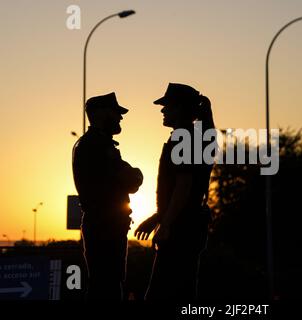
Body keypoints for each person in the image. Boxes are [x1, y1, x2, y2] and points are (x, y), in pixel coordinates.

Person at [135, 83, 215, 300]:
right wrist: (157, 218)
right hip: (189, 225)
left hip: (181, 228)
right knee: (183, 291)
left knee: (161, 294)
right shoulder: (194, 137)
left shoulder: (183, 138)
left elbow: (184, 187)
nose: (163, 110)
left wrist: (166, 224)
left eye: (167, 106)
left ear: (180, 108)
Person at [72, 92, 143, 300]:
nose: (120, 118)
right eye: (116, 112)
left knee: (103, 284)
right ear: (102, 113)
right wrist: (137, 173)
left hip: (103, 225)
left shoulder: (92, 143)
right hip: (106, 227)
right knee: (107, 286)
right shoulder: (98, 145)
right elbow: (130, 180)